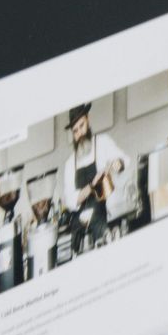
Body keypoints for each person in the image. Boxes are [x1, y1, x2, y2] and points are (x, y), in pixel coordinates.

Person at [59, 102, 130, 245]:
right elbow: (71, 201)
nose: (80, 134)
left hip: (103, 218)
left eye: (82, 126)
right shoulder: (69, 164)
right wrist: (92, 185)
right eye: (75, 131)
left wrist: (118, 164)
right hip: (80, 224)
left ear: (88, 120)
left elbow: (124, 160)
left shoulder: (102, 143)